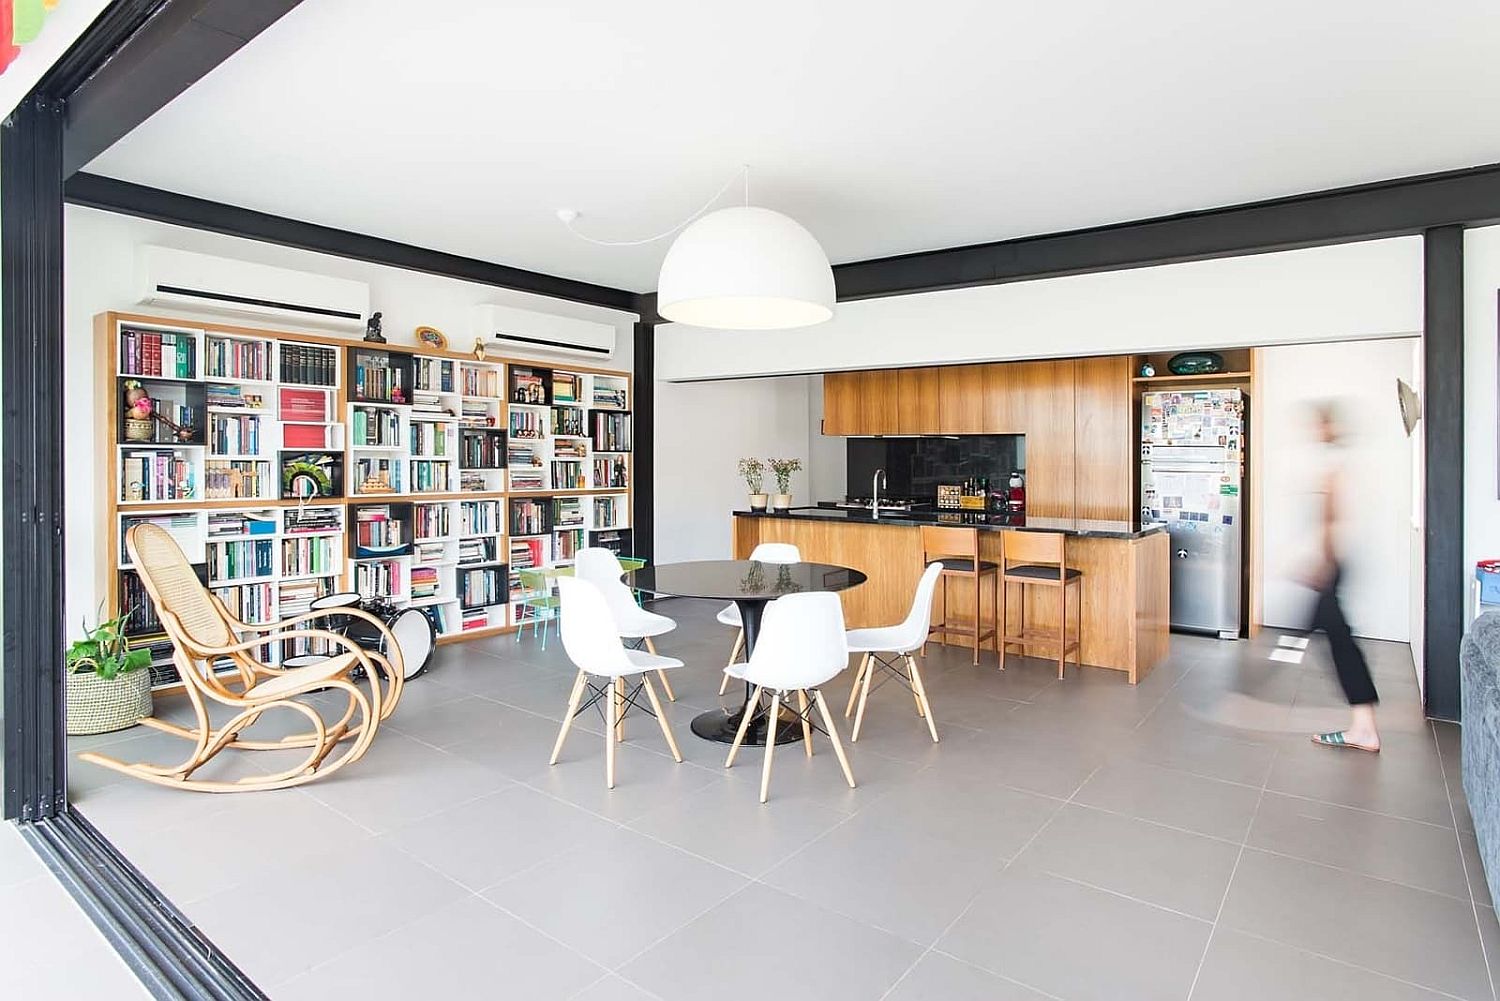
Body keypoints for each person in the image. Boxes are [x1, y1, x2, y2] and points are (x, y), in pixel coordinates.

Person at [1303, 402, 1380, 752]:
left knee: (1337, 638)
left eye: (1321, 424)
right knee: (1333, 634)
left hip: (1335, 562)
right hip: (1335, 561)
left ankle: (1363, 728)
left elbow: (1333, 519)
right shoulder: (1337, 463)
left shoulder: (1337, 467)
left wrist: (1324, 563)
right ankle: (1362, 724)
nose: (1317, 430)